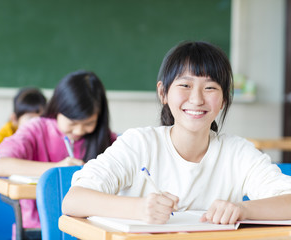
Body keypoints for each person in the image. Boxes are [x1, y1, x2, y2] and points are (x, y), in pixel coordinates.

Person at [62, 41, 291, 225]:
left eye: (210, 87)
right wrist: (140, 209)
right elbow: (73, 200)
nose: (197, 99)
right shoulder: (139, 144)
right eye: (185, 85)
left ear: (223, 100)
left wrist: (243, 208)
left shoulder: (237, 152)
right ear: (163, 92)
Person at [0, 70, 118, 230]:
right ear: (58, 109)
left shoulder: (105, 138)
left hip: (88, 229)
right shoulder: (36, 128)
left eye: (88, 123)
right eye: (72, 123)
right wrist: (57, 169)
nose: (79, 131)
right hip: (37, 229)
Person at [0, 87, 47, 159]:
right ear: (14, 119)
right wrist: (12, 148)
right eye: (30, 119)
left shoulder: (47, 134)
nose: (37, 124)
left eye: (41, 119)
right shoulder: (9, 131)